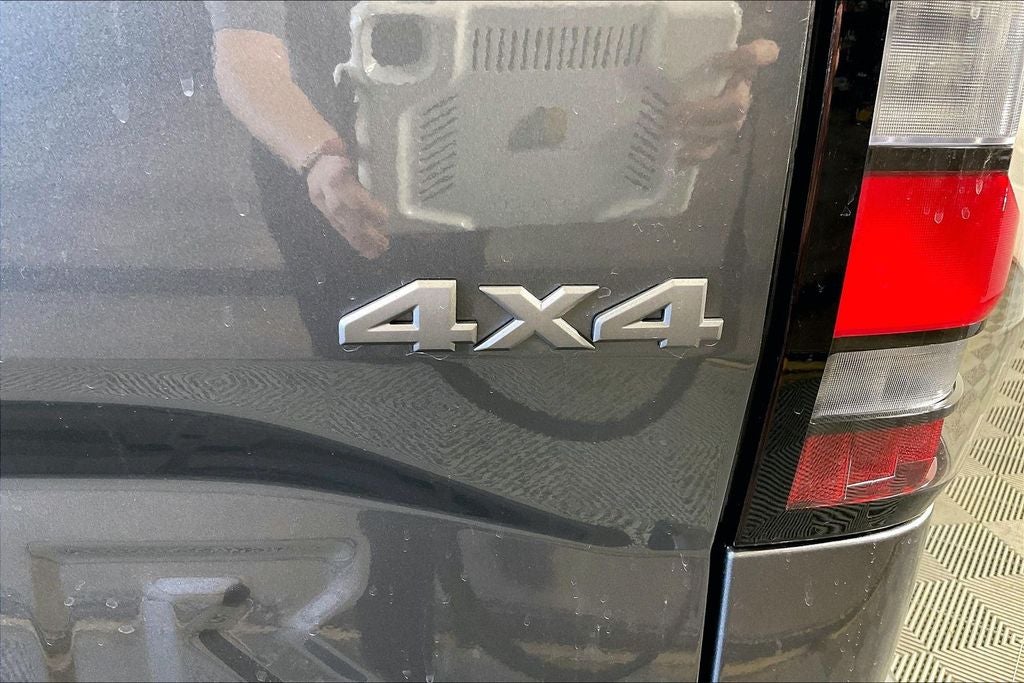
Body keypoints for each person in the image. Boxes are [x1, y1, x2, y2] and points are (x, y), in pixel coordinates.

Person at [206, 1, 776, 359]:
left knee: (449, 338)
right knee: (357, 379)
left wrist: (725, 76)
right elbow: (245, 55)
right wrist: (316, 155)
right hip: (330, 186)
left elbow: (725, 28)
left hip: (479, 166)